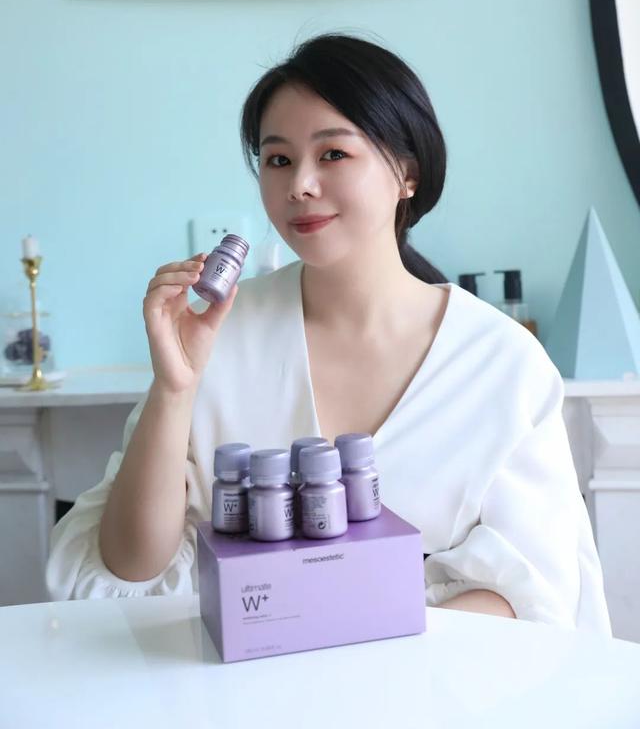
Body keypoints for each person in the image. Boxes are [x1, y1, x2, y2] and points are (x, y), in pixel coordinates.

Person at [46, 33, 612, 635]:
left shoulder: (501, 362)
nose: (300, 185)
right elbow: (128, 570)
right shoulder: (218, 332)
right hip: (238, 683)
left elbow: (534, 596)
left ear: (408, 173)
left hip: (432, 685)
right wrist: (174, 388)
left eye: (334, 154)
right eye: (278, 160)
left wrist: (343, 647)